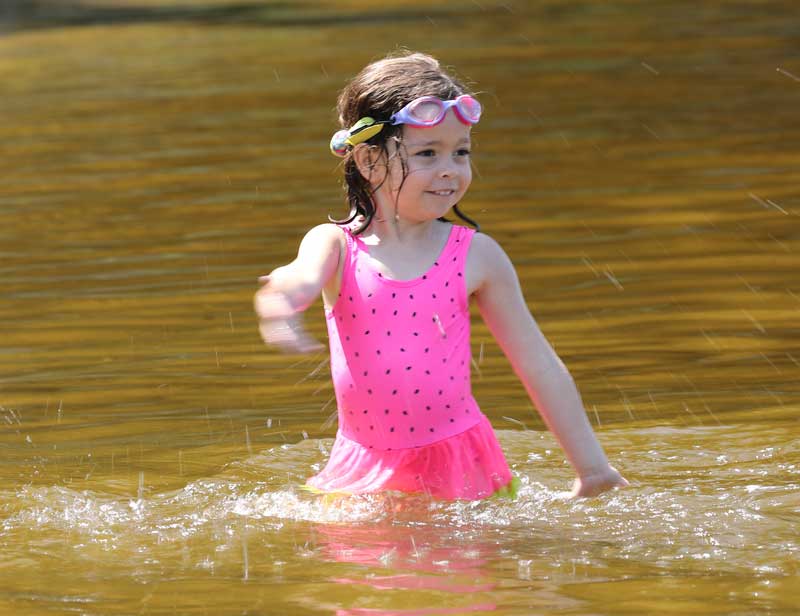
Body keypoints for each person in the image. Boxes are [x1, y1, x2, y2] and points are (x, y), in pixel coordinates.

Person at [254, 51, 628, 500]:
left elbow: (538, 363)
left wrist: (592, 469)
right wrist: (281, 310)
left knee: (463, 569)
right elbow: (296, 279)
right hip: (364, 468)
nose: (450, 169)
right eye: (428, 153)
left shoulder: (478, 256)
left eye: (461, 151)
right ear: (370, 161)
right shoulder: (335, 245)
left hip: (463, 465)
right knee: (366, 568)